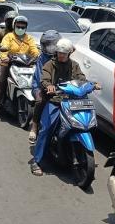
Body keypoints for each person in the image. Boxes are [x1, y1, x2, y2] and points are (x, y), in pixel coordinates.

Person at [31, 38, 88, 176]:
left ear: (69, 53)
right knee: (46, 129)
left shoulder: (74, 65)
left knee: (84, 123)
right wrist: (48, 86)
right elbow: (45, 79)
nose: (61, 55)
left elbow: (81, 77)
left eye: (64, 53)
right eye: (59, 53)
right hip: (55, 100)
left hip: (72, 101)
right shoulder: (49, 65)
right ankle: (36, 161)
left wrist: (89, 84)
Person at [0, 15, 39, 122]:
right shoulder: (8, 36)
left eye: (23, 27)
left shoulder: (29, 38)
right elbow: (3, 48)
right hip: (8, 63)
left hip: (24, 64)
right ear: (14, 25)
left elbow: (34, 51)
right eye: (18, 26)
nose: (20, 28)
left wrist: (36, 56)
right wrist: (4, 57)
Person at [28, 30, 61, 144]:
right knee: (40, 100)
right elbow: (40, 77)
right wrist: (48, 86)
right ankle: (35, 125)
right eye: (48, 45)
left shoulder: (62, 56)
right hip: (40, 86)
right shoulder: (42, 58)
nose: (51, 48)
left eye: (54, 44)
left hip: (59, 88)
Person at [0, 10, 18, 93]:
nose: (11, 22)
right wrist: (0, 47)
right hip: (3, 56)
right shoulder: (1, 33)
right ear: (5, 22)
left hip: (17, 57)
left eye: (13, 20)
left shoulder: (20, 32)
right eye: (9, 20)